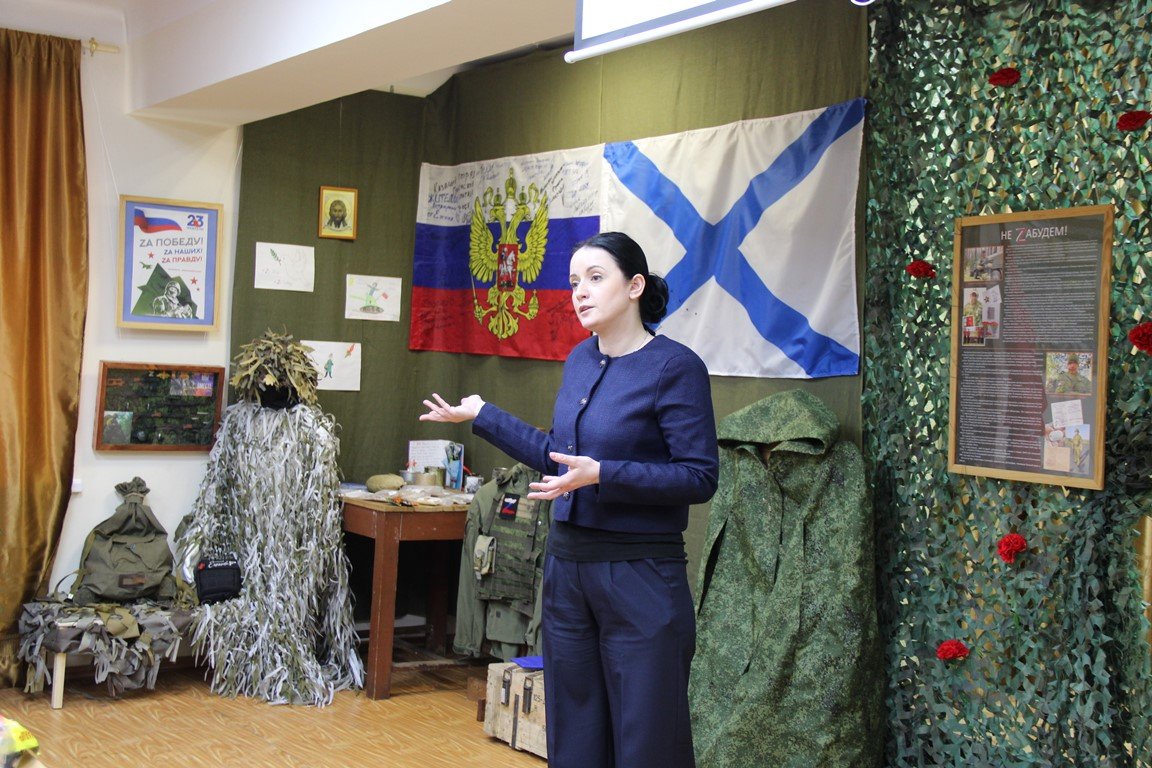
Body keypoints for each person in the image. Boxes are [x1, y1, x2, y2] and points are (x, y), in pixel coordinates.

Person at [421, 231, 719, 768]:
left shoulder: (676, 367)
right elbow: (559, 457)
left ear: (635, 286)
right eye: (574, 281)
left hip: (640, 576)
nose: (579, 292)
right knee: (575, 735)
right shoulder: (580, 359)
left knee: (648, 740)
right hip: (567, 575)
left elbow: (698, 477)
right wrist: (483, 415)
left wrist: (604, 474)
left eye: (595, 278)